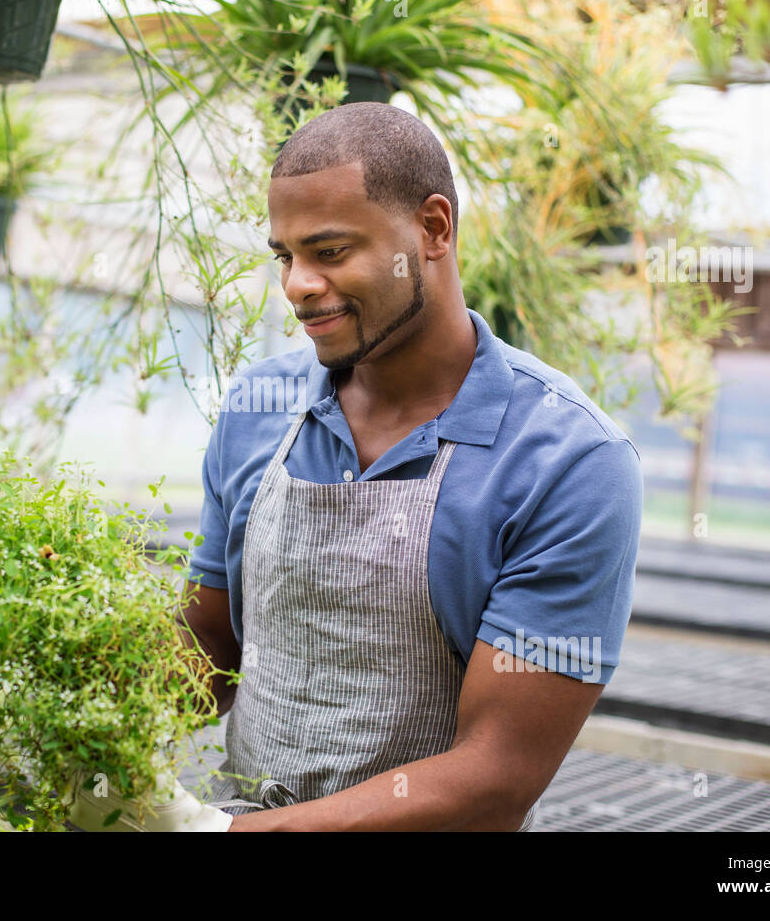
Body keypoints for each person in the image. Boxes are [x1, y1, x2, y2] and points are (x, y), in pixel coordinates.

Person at [86, 101, 643, 832]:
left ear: (433, 230)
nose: (296, 285)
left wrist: (224, 834)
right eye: (285, 256)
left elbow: (496, 773)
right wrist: (81, 723)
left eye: (330, 252)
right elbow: (210, 644)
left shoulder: (567, 463)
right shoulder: (259, 409)